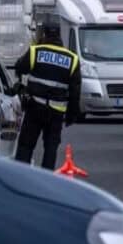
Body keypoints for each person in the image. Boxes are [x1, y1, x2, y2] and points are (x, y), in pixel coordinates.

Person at [14, 21, 81, 170]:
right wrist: (72, 115)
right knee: (51, 148)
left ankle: (19, 177)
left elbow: (20, 67)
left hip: (34, 108)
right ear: (59, 35)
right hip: (56, 112)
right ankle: (46, 179)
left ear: (44, 34)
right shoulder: (72, 59)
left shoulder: (35, 52)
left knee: (26, 145)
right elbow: (75, 91)